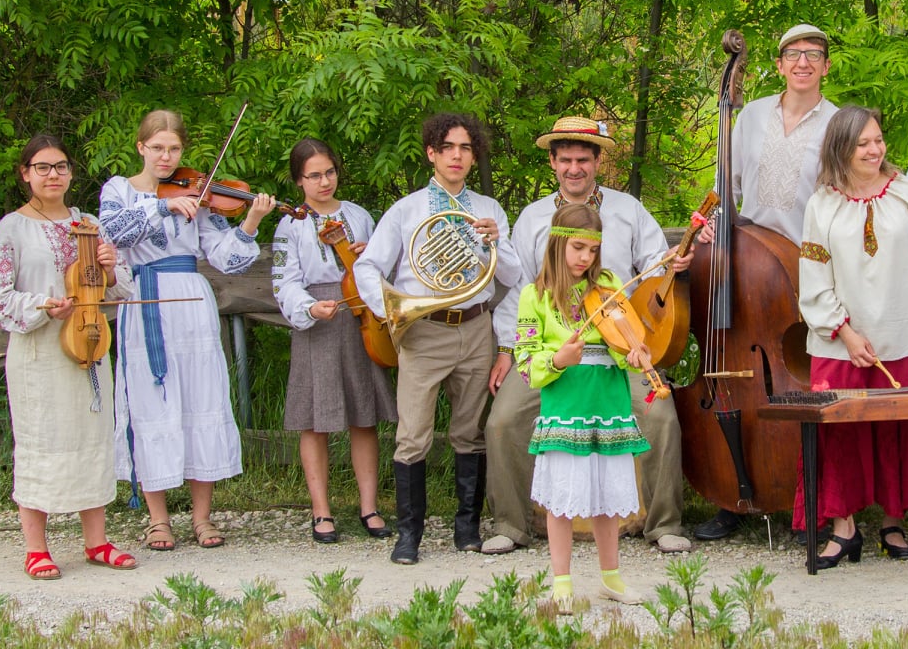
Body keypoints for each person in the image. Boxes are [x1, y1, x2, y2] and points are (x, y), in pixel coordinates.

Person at [484, 116, 694, 555]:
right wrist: (508, 349)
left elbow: (654, 266)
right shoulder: (533, 217)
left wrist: (671, 263)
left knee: (661, 417)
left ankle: (663, 524)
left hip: (619, 347)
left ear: (598, 161)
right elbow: (518, 290)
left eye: (583, 159)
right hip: (552, 351)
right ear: (552, 162)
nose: (574, 168)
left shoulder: (627, 210)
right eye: (565, 160)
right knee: (503, 421)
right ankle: (510, 524)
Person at [797, 105, 908, 568]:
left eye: (878, 140)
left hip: (901, 334)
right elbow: (813, 277)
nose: (875, 150)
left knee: (898, 431)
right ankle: (844, 528)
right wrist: (845, 332)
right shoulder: (822, 204)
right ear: (841, 149)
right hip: (840, 342)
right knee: (839, 433)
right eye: (863, 143)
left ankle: (893, 522)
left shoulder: (907, 195)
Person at [99, 110, 274, 551]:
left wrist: (250, 222)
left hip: (191, 300)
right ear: (141, 147)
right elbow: (113, 232)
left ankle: (201, 517)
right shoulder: (119, 189)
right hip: (144, 296)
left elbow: (228, 260)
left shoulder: (198, 192)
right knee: (149, 402)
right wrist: (163, 206)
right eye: (157, 148)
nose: (166, 156)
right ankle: (158, 519)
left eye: (174, 148)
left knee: (201, 399)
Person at [353, 112, 522, 565]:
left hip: (476, 329)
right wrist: (389, 309)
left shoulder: (489, 210)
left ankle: (467, 529)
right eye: (447, 148)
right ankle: (409, 535)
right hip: (424, 330)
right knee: (412, 435)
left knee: (470, 432)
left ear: (474, 156)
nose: (456, 156)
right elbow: (367, 266)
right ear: (432, 153)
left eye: (465, 148)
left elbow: (512, 275)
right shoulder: (406, 210)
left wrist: (494, 242)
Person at [695, 22, 838, 543]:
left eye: (813, 54)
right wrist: (712, 222)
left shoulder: (839, 123)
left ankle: (807, 503)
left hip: (810, 266)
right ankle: (731, 494)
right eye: (793, 54)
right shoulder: (751, 115)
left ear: (825, 66)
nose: (803, 62)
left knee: (804, 382)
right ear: (778, 65)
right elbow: (725, 187)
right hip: (747, 263)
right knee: (735, 366)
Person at [0, 135, 136, 578]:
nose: (54, 175)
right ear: (25, 173)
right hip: (40, 351)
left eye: (61, 166)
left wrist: (110, 268)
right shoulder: (13, 227)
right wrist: (42, 305)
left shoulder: (88, 223)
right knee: (41, 441)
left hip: (88, 342)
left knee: (93, 439)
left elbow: (122, 287)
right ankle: (36, 548)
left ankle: (96, 542)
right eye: (43, 167)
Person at [514, 204, 652, 612]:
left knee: (607, 497)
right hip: (566, 403)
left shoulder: (608, 285)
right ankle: (561, 583)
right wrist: (558, 360)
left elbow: (624, 340)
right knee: (563, 498)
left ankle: (611, 577)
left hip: (608, 401)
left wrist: (636, 354)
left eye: (593, 251)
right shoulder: (535, 295)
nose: (585, 259)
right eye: (577, 248)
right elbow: (525, 364)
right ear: (557, 244)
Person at [270, 138, 398, 544]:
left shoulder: (358, 216)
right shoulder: (290, 225)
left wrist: (367, 255)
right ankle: (321, 510)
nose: (324, 182)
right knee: (315, 419)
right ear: (299, 180)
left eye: (329, 172)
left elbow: (384, 268)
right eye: (314, 176)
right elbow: (283, 280)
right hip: (318, 321)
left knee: (364, 415)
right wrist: (309, 307)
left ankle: (369, 506)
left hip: (360, 318)